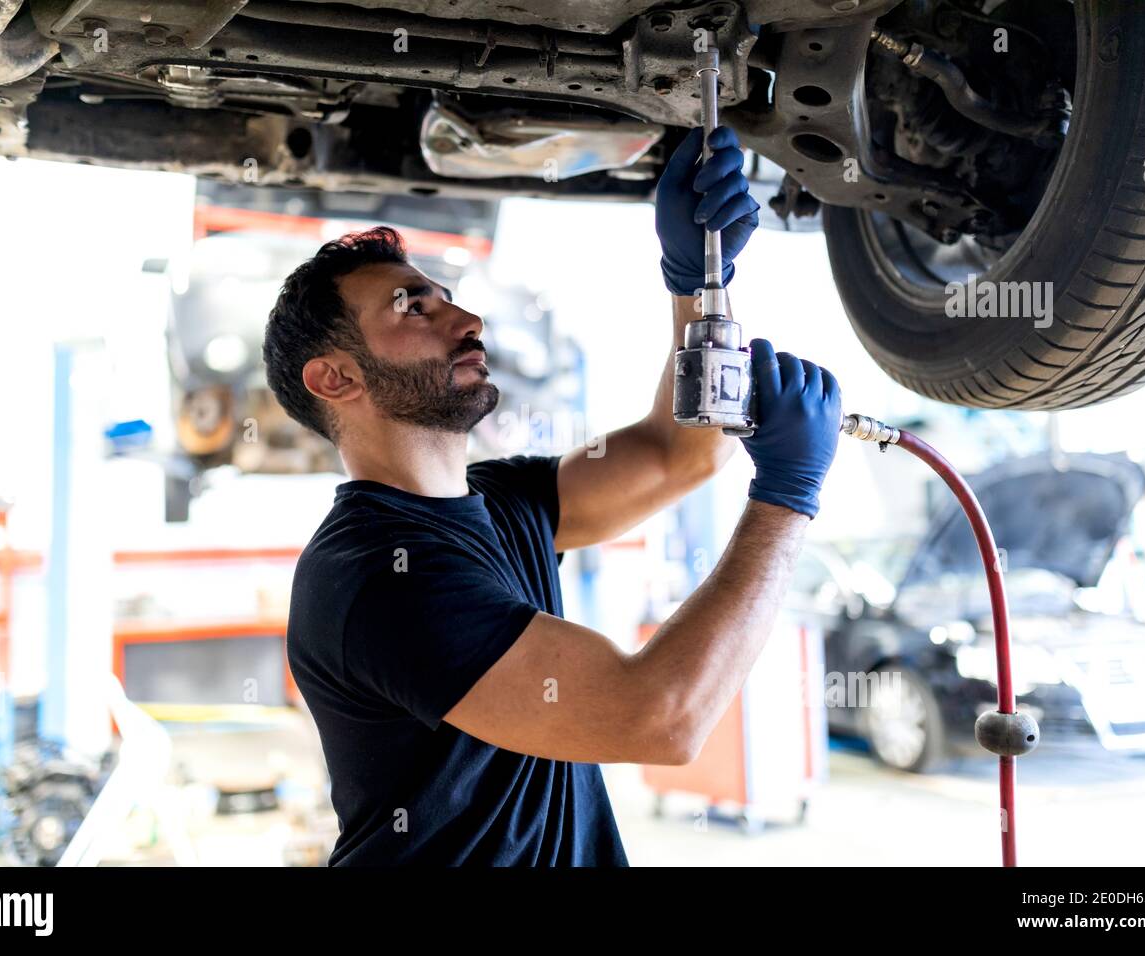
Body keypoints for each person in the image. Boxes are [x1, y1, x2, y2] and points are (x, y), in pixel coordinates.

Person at [262, 125, 841, 865]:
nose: (467, 321)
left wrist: (700, 281)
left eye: (446, 299)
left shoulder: (506, 499)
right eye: (413, 308)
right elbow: (657, 718)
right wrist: (788, 497)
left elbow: (679, 453)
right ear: (335, 379)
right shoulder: (378, 575)